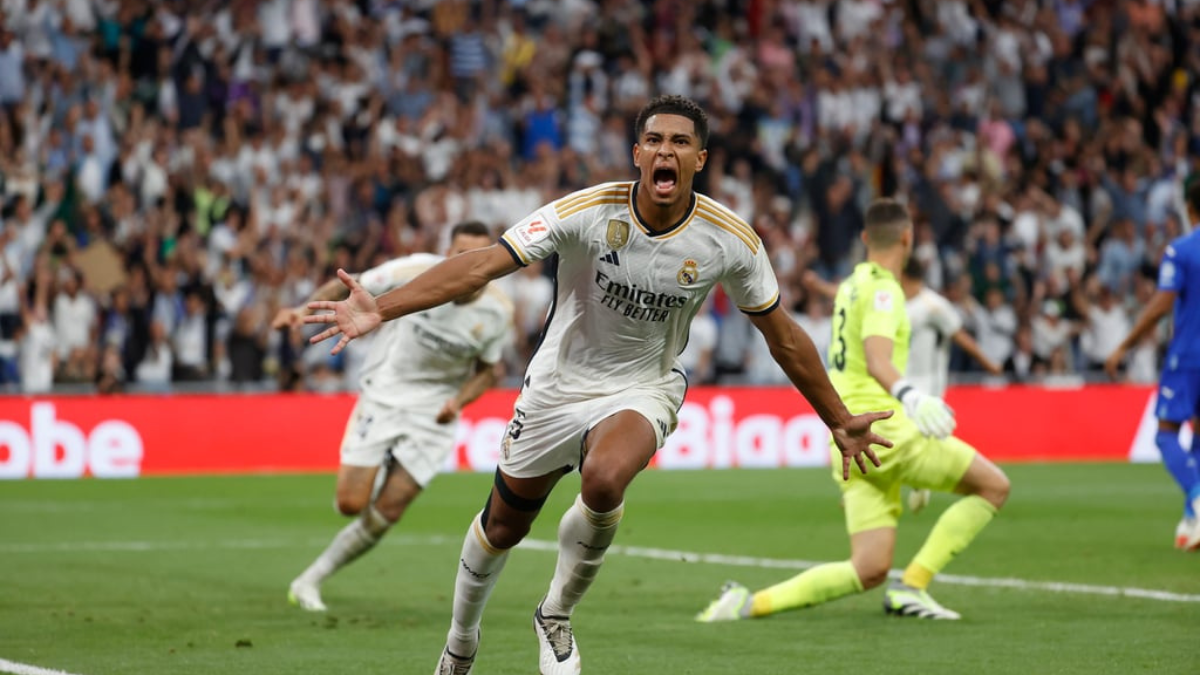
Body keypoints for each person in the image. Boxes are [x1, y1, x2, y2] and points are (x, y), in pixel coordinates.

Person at [304, 95, 892, 675]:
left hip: (645, 385)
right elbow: (483, 263)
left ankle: (555, 613)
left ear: (701, 159)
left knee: (606, 477)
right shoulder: (586, 211)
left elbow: (782, 335)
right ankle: (460, 643)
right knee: (505, 526)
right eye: (654, 141)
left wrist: (838, 419)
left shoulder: (730, 240)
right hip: (557, 385)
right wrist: (382, 307)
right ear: (637, 154)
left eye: (680, 142)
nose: (665, 151)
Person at [697, 198, 1010, 624]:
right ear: (907, 238)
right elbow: (878, 359)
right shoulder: (885, 289)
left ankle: (748, 604)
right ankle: (913, 586)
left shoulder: (850, 286)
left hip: (849, 439)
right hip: (886, 432)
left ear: (865, 238)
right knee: (993, 487)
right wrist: (913, 397)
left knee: (869, 568)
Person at [278, 221, 513, 612]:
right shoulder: (414, 270)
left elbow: (488, 371)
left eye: (477, 255)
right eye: (460, 253)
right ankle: (376, 466)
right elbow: (350, 283)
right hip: (385, 395)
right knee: (351, 504)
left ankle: (309, 581)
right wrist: (302, 311)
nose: (468, 262)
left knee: (389, 510)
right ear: (447, 254)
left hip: (434, 414)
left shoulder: (498, 309)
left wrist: (459, 401)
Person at [804, 257, 1004, 513]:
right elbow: (846, 294)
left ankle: (885, 485)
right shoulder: (889, 299)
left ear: (906, 276)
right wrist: (819, 286)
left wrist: (989, 364)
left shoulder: (934, 306)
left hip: (925, 390)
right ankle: (879, 484)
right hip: (895, 382)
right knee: (887, 438)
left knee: (901, 441)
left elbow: (961, 337)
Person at [1105, 177, 1200, 551]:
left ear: (1189, 208)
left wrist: (1123, 346)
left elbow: (1161, 305)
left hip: (1189, 356)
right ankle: (1192, 521)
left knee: (1165, 433)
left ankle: (1197, 496)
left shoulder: (1182, 250)